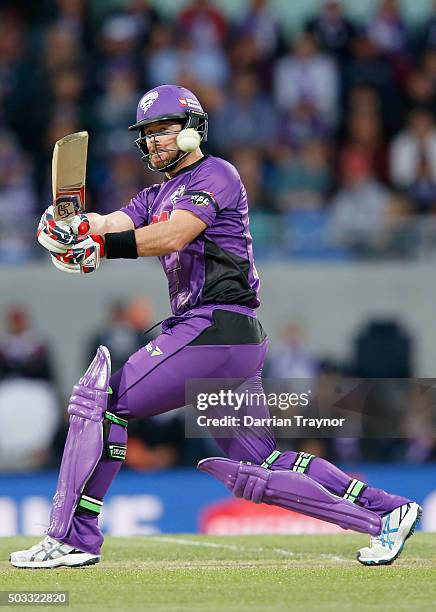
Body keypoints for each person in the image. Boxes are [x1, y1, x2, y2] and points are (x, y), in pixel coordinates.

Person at [11, 84, 421, 569]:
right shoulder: (155, 193)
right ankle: (387, 512)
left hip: (213, 329)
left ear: (192, 129)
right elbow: (110, 222)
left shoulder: (217, 173)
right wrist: (67, 228)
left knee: (99, 406)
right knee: (260, 467)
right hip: (226, 339)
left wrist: (99, 247)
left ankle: (72, 538)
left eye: (163, 130)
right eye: (147, 134)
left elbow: (174, 234)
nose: (154, 141)